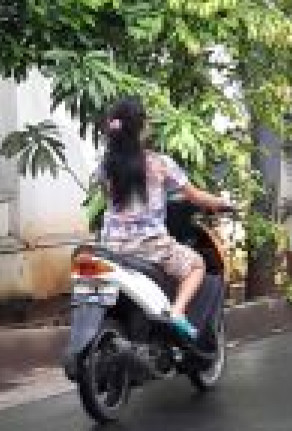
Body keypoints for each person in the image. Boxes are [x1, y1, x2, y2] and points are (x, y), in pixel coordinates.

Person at [91, 98, 233, 340]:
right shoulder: (160, 164)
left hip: (111, 247)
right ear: (142, 128)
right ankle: (177, 312)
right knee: (196, 265)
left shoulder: (106, 165)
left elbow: (108, 197)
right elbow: (195, 196)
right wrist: (223, 203)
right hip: (150, 245)